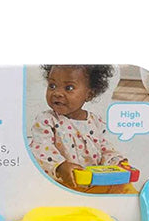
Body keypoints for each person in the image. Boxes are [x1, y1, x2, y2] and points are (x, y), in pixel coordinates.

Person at [30, 65, 137, 193]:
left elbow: (104, 148)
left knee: (124, 187)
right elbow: (40, 147)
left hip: (93, 182)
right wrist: (60, 166)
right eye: (52, 86)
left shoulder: (95, 122)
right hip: (62, 184)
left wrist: (117, 162)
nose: (57, 93)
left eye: (69, 88)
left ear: (89, 94)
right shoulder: (47, 120)